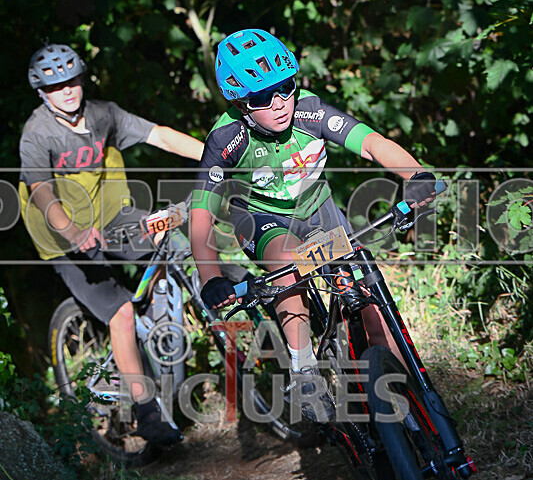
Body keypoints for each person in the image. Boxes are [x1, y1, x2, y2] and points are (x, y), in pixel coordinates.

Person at [189, 28, 437, 424]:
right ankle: (304, 369)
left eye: (286, 87)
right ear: (239, 102)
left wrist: (415, 173)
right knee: (288, 265)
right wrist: (209, 278)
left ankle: (418, 413)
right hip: (261, 218)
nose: (280, 103)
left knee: (370, 309)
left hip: (316, 207)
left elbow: (370, 141)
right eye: (261, 97)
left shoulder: (309, 109)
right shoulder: (226, 138)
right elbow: (201, 213)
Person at [19, 42, 204, 446]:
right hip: (61, 236)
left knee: (168, 232)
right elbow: (41, 192)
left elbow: (162, 136)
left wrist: (219, 157)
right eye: (56, 86)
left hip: (109, 215)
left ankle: (161, 324)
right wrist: (72, 232)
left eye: (72, 81)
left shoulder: (104, 114)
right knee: (120, 312)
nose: (67, 91)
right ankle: (146, 410)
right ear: (41, 93)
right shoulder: (37, 134)